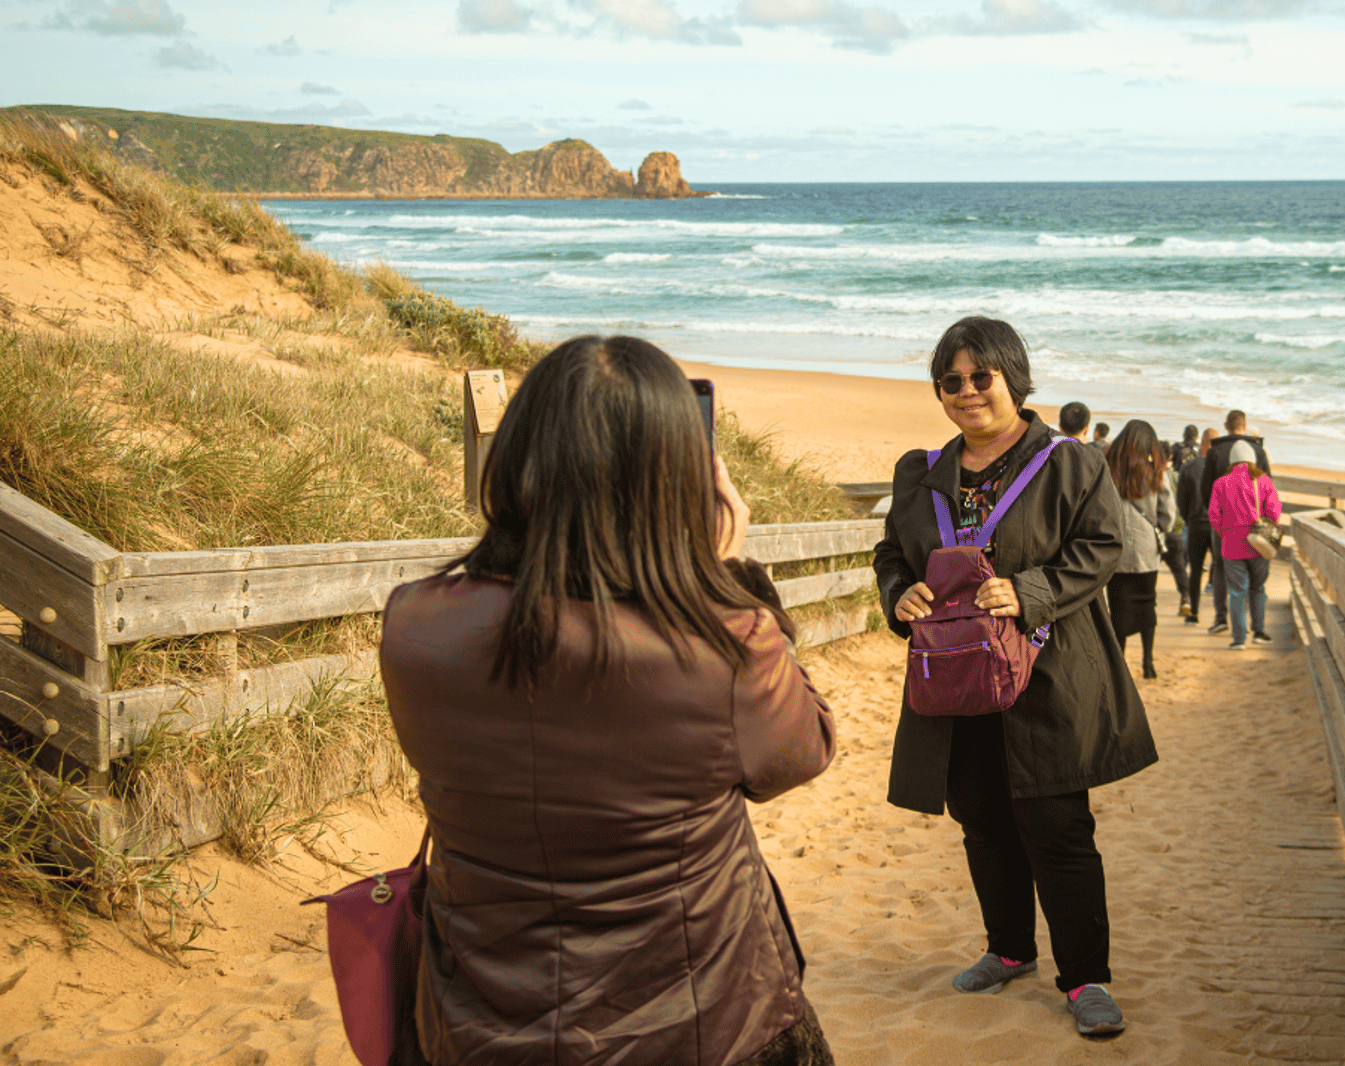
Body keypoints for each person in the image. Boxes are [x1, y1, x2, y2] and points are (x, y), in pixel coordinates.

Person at [381, 336, 838, 1066]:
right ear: (680, 477)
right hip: (699, 1023)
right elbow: (801, 752)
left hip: (475, 1022)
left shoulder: (413, 625)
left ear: (520, 457)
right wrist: (723, 576)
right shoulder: (720, 647)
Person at [874, 316, 1156, 1040]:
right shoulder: (922, 474)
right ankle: (1008, 949)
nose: (967, 392)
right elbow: (892, 556)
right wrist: (897, 595)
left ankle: (1086, 977)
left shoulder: (1068, 463)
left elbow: (1101, 549)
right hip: (956, 682)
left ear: (1013, 378)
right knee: (983, 821)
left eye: (981, 377)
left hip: (1048, 676)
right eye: (951, 381)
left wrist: (1028, 591)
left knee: (1059, 827)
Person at [1103, 420, 1175, 680]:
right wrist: (1158, 529)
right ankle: (1147, 663)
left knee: (1118, 608)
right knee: (1147, 605)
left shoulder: (1106, 468)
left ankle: (1119, 664)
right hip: (1146, 551)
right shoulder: (1155, 472)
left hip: (1115, 551)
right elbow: (1168, 513)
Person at [1197, 410, 1271, 635]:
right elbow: (1269, 487)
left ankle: (1222, 619)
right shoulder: (1258, 450)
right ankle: (1256, 627)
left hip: (1223, 523)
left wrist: (1217, 519)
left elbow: (1206, 489)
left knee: (1220, 566)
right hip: (1256, 525)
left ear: (1226, 426)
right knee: (1255, 578)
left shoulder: (1215, 450)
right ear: (1244, 425)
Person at [1207, 439, 1281, 650]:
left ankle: (1239, 639)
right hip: (1258, 543)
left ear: (1232, 461)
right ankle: (1259, 632)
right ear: (1253, 460)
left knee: (1237, 591)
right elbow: (1274, 512)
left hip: (1231, 544)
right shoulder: (1264, 481)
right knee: (1258, 588)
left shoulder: (1221, 483)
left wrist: (1226, 532)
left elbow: (1213, 515)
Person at [1175, 428, 1218, 626]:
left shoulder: (1188, 467)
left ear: (1202, 443)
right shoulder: (1221, 468)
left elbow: (1181, 500)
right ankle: (1221, 616)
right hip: (1217, 525)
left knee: (1195, 569)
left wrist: (1188, 517)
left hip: (1195, 523)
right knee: (1218, 568)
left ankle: (1194, 612)